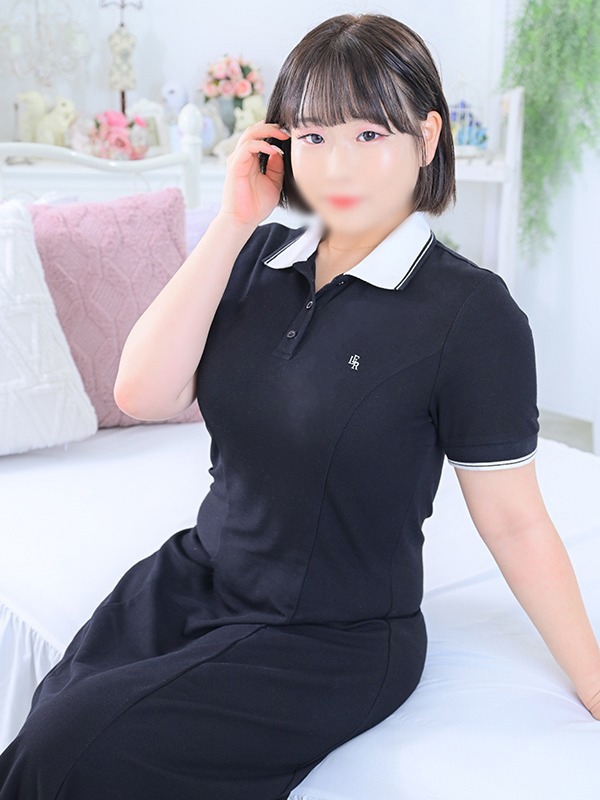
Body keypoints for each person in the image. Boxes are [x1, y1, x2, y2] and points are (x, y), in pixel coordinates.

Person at [1, 10, 599, 800]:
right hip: (194, 578)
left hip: (327, 637)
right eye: (313, 136)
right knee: (52, 714)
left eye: (369, 134)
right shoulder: (258, 255)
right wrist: (230, 222)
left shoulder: (471, 314)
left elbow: (516, 522)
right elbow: (140, 393)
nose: (338, 165)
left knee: (69, 750)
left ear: (426, 138)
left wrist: (594, 679)